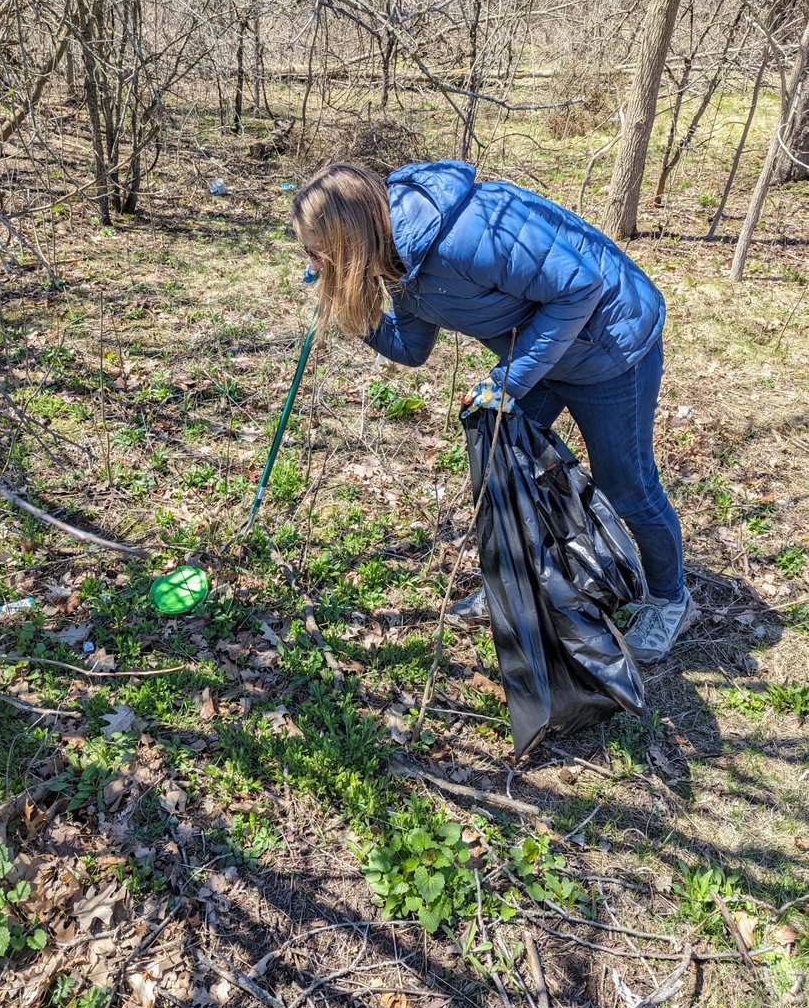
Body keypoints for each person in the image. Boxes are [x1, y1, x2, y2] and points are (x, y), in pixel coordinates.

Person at [291, 159, 697, 663]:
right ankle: (518, 586)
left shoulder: (465, 237)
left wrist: (508, 380)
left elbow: (580, 286)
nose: (312, 258)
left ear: (351, 235)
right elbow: (411, 347)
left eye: (317, 248)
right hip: (546, 352)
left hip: (609, 346)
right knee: (503, 469)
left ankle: (670, 599)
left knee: (627, 485)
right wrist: (352, 312)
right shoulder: (396, 258)